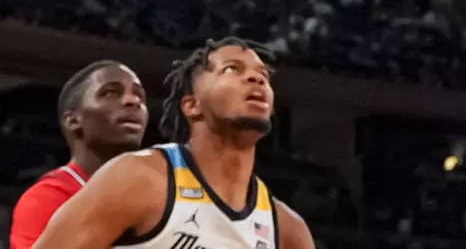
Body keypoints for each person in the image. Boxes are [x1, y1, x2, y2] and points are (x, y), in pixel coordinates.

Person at [32, 39, 313, 249]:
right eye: (231, 70)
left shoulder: (287, 230)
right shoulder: (137, 179)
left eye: (263, 76)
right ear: (192, 106)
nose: (255, 79)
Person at [9, 62, 148, 249]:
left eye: (139, 95)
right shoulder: (46, 199)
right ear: (73, 120)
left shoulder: (155, 196)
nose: (133, 101)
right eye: (110, 93)